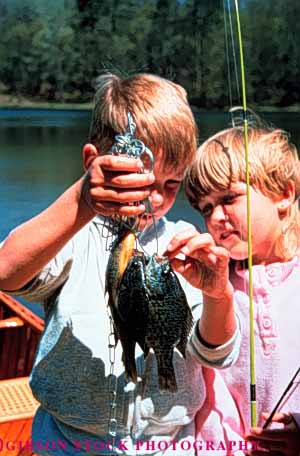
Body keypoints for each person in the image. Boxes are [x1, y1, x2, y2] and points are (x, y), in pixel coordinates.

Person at [0, 73, 239, 456]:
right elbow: (6, 273)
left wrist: (218, 294)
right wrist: (82, 199)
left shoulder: (185, 244)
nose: (156, 199)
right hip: (67, 442)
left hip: (171, 444)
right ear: (94, 162)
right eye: (141, 180)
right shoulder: (71, 233)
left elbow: (214, 352)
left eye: (172, 184)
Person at [166, 125, 300, 456]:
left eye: (229, 199)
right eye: (206, 208)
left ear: (283, 195)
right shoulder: (209, 285)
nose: (217, 218)